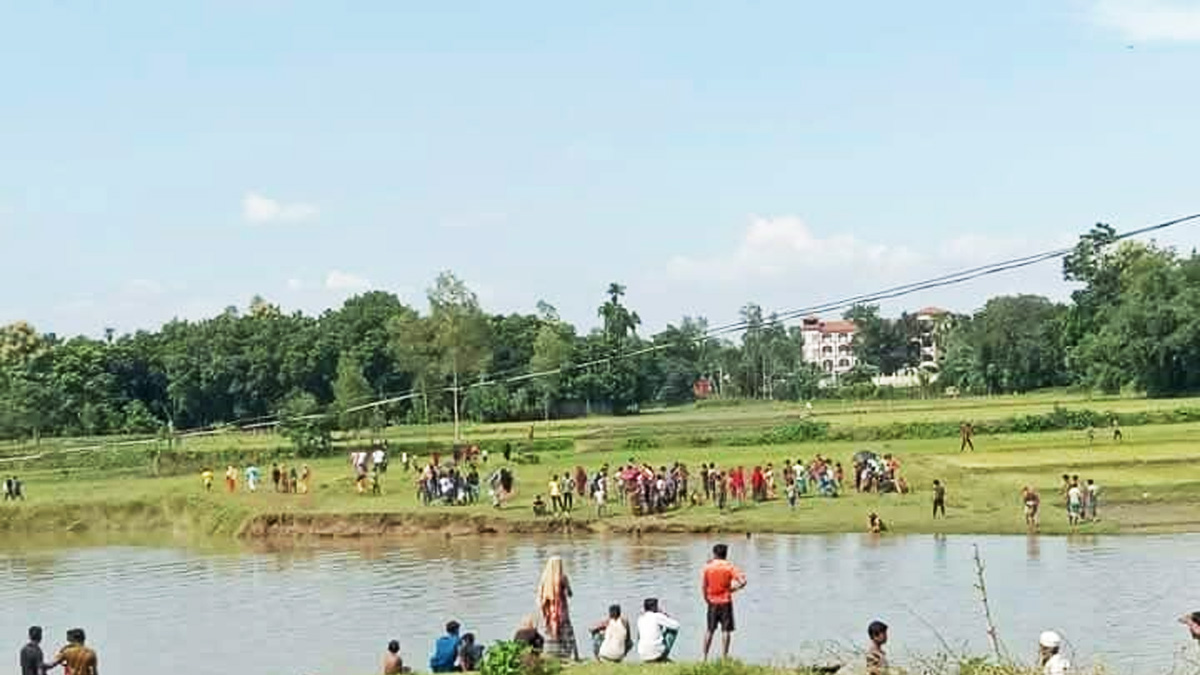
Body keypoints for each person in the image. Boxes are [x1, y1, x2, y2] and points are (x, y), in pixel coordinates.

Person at [701, 543, 746, 660]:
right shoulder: (729, 567)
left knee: (709, 630)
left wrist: (706, 598)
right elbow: (743, 581)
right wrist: (733, 589)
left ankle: (704, 657)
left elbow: (704, 586)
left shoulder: (708, 567)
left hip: (712, 602)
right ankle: (724, 657)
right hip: (725, 601)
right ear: (726, 554)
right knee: (726, 631)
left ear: (714, 553)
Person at [537, 556, 579, 661]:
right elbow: (570, 593)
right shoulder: (563, 578)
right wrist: (567, 588)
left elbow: (540, 598)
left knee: (551, 633)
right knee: (567, 634)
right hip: (561, 612)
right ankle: (573, 656)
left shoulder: (544, 578)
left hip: (549, 613)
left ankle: (552, 655)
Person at [637, 598, 681, 663]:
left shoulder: (640, 619)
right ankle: (662, 657)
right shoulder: (657, 616)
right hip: (656, 653)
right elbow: (676, 625)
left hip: (642, 655)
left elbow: (639, 637)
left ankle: (653, 657)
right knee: (672, 631)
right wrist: (665, 615)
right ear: (654, 607)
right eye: (657, 606)